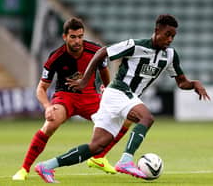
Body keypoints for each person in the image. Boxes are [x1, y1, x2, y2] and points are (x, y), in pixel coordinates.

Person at [35, 14, 211, 183]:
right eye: (167, 34)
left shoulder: (170, 55)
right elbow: (102, 52)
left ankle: (46, 166)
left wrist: (194, 84)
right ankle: (126, 160)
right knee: (147, 118)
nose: (170, 39)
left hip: (122, 99)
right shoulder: (135, 46)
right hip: (118, 91)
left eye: (173, 36)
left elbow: (181, 82)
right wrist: (85, 80)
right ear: (157, 30)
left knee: (96, 147)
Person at [12, 17, 132, 181]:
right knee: (51, 123)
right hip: (65, 98)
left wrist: (108, 89)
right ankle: (24, 169)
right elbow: (41, 88)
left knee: (126, 119)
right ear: (64, 37)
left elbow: (103, 70)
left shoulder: (95, 51)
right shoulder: (56, 57)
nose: (77, 41)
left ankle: (98, 158)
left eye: (80, 36)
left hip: (90, 97)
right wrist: (47, 106)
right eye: (73, 37)